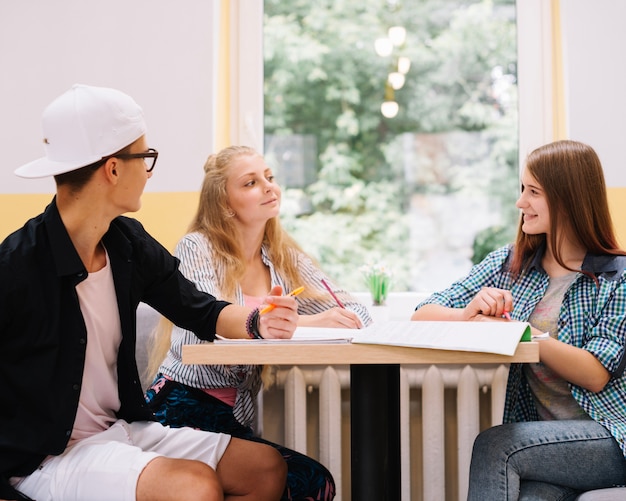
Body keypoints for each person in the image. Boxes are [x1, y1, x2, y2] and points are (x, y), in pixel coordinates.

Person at [0, 84, 300, 501]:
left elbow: (200, 310)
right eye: (145, 157)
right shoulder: (16, 266)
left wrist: (258, 321)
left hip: (119, 432)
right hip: (48, 458)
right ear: (113, 169)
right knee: (193, 485)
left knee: (264, 469)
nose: (149, 170)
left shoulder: (125, 242)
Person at [145, 145, 372, 501]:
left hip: (234, 415)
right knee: (298, 481)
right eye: (251, 183)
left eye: (269, 177)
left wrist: (338, 316)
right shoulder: (196, 248)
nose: (269, 188)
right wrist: (303, 323)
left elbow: (354, 312)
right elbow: (208, 325)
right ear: (224, 203)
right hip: (181, 404)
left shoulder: (283, 256)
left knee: (315, 483)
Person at [412, 140, 626, 500]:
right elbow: (423, 314)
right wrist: (467, 314)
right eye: (521, 189)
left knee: (498, 444)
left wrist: (523, 334)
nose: (520, 202)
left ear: (567, 198)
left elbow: (594, 374)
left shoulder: (617, 276)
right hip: (546, 443)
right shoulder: (509, 264)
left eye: (533, 192)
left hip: (610, 436)